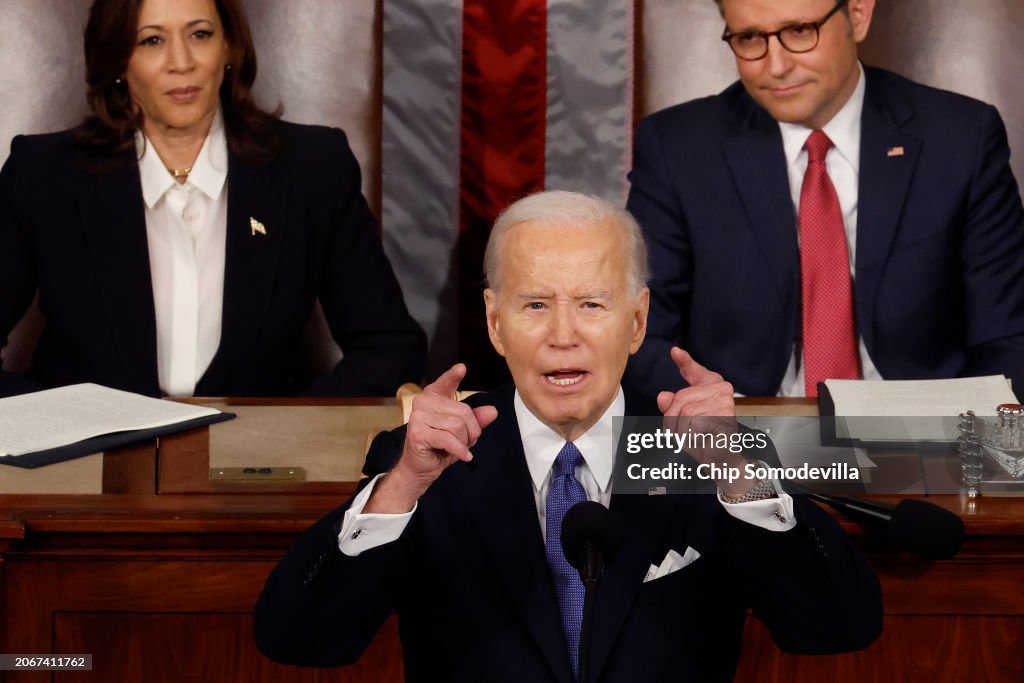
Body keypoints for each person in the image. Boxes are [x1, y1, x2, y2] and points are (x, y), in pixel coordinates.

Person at [254, 190, 882, 681]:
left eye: (591, 304)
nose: (563, 335)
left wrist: (739, 473)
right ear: (495, 324)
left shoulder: (698, 450)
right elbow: (299, 640)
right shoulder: (426, 460)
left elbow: (840, 627)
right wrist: (402, 488)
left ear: (636, 322)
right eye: (534, 305)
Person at [0, 0, 425, 398]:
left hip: (255, 468)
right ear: (119, 61)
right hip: (85, 464)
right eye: (152, 40)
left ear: (229, 47)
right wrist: (56, 424)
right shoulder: (44, 174)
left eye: (199, 34)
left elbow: (389, 347)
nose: (181, 62)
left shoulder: (313, 168)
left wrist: (288, 430)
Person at [625, 0, 1024, 399]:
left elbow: (1007, 335)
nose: (776, 65)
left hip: (925, 430)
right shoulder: (678, 148)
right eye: (749, 38)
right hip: (740, 435)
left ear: (857, 16)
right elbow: (638, 332)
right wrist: (710, 414)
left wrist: (967, 442)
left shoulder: (960, 138)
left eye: (800, 31)